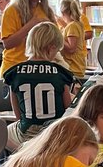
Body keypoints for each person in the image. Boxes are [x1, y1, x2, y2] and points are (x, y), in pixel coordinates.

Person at [5, 22, 73, 152]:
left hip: (27, 133)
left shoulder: (14, 73)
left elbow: (17, 113)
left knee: (5, 132)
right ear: (51, 48)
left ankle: (16, 161)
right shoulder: (60, 72)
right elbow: (68, 109)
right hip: (54, 133)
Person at [0, 0, 56, 77]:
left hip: (38, 70)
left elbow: (56, 42)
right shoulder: (12, 10)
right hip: (14, 69)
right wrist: (30, 25)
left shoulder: (46, 10)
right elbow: (7, 44)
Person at [58, 0, 87, 81]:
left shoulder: (72, 26)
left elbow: (71, 49)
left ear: (63, 12)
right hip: (76, 65)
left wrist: (58, 37)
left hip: (73, 67)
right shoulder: (76, 24)